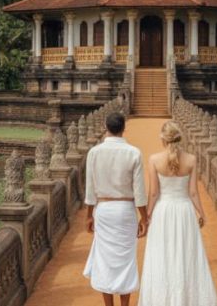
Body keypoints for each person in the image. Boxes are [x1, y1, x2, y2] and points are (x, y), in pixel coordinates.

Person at [138, 121, 217, 306]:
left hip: (163, 212)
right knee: (186, 255)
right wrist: (202, 213)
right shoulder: (191, 159)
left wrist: (147, 215)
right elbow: (192, 192)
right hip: (184, 212)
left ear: (163, 139)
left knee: (162, 256)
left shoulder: (154, 160)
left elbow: (153, 193)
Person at [83, 112, 149, 306]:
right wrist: (144, 218)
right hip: (126, 210)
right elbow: (139, 192)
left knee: (105, 261)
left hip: (103, 209)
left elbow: (90, 189)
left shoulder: (94, 152)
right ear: (123, 128)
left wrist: (89, 216)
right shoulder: (134, 152)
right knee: (126, 260)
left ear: (106, 126)